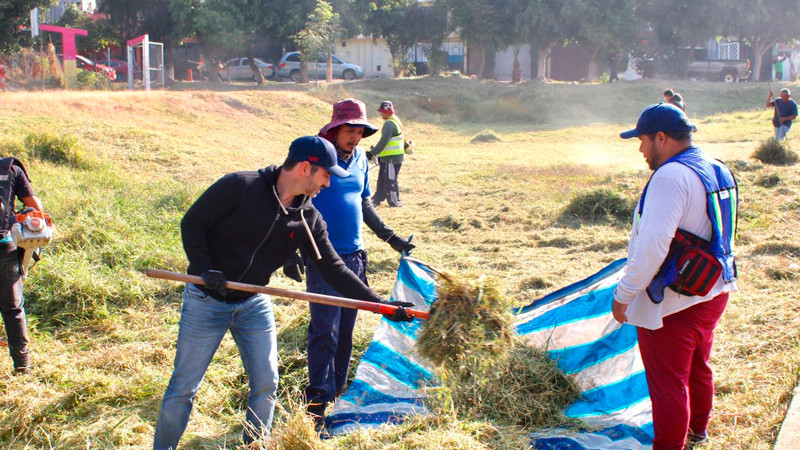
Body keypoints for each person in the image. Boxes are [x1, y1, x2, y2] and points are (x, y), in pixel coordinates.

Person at [153, 136, 413, 449]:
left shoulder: (308, 218)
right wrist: (205, 267)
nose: (328, 184)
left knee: (266, 384)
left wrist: (380, 304)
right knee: (184, 387)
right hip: (205, 302)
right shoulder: (239, 186)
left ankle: (255, 444)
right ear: (306, 168)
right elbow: (193, 223)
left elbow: (334, 269)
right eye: (326, 175)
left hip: (253, 303)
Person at [613, 103, 739, 450]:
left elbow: (653, 246)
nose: (640, 150)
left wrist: (625, 293)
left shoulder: (670, 176)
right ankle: (698, 431)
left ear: (661, 137)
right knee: (699, 366)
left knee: (669, 382)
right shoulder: (716, 167)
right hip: (713, 288)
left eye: (642, 140)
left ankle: (670, 445)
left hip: (674, 297)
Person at [291, 99, 416, 426]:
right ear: (335, 128)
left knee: (346, 329)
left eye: (360, 131)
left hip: (356, 255)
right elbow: (290, 201)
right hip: (322, 257)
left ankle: (337, 389)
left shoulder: (360, 158)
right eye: (350, 130)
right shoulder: (316, 158)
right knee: (325, 331)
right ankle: (317, 396)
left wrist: (391, 238)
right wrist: (291, 249)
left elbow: (363, 203)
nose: (356, 137)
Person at [0, 157, 44, 374]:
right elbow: (36, 209)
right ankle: (22, 367)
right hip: (4, 248)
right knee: (13, 308)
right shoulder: (11, 169)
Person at [368, 100, 406, 207]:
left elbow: (384, 141)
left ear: (386, 112)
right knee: (382, 180)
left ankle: (394, 202)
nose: (381, 114)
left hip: (391, 158)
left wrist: (372, 153)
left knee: (390, 181)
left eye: (382, 112)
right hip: (388, 157)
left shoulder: (389, 123)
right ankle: (376, 199)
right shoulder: (395, 120)